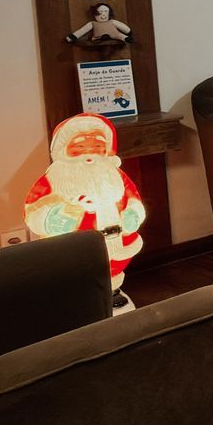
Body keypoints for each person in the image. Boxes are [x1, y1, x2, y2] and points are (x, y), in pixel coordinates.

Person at [23, 114, 146, 311]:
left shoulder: (115, 175)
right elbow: (33, 208)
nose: (89, 154)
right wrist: (51, 219)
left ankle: (112, 293)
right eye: (79, 147)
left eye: (97, 147)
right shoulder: (52, 180)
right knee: (75, 271)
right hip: (73, 245)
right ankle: (77, 298)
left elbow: (133, 198)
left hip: (116, 240)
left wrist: (133, 213)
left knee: (111, 268)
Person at [65, 2, 133, 46]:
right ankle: (102, 38)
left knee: (120, 35)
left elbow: (121, 26)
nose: (103, 14)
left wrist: (128, 32)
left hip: (116, 35)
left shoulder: (112, 21)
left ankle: (126, 38)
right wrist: (73, 36)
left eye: (106, 11)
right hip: (97, 38)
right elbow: (83, 30)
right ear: (95, 14)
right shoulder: (92, 23)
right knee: (99, 38)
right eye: (100, 12)